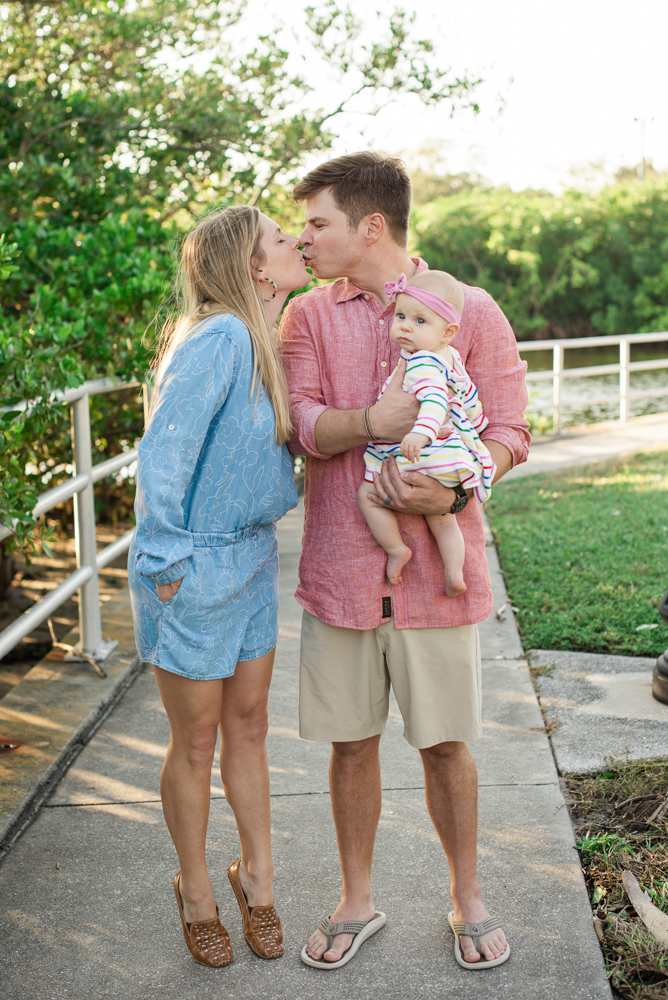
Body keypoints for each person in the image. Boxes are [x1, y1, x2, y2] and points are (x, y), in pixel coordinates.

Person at [279, 151, 529, 971]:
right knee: (350, 744)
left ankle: (468, 896)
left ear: (371, 226)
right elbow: (303, 427)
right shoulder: (307, 317)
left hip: (437, 579)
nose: (304, 239)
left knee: (448, 744)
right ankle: (357, 900)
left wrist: (453, 498)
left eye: (318, 223)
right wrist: (373, 420)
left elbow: (510, 431)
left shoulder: (472, 310)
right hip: (342, 573)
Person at [128, 206, 307, 968]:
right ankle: (197, 889)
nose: (295, 241)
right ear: (253, 267)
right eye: (278, 238)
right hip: (195, 570)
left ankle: (257, 879)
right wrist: (169, 565)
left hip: (253, 561)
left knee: (251, 728)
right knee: (195, 741)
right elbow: (162, 457)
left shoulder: (262, 338)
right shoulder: (222, 339)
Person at [357, 269, 495, 596]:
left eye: (420, 321)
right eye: (401, 315)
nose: (404, 325)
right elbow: (470, 402)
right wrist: (476, 426)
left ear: (447, 332)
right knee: (443, 520)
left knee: (367, 496)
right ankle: (454, 573)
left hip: (421, 453)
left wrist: (421, 433)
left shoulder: (422, 362)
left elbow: (433, 401)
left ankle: (395, 549)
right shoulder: (452, 360)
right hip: (451, 460)